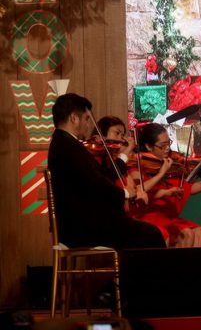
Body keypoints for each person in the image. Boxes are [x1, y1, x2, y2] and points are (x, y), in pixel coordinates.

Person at [47, 93, 165, 248]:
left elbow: (102, 176)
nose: (89, 125)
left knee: (144, 231)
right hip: (82, 228)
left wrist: (123, 156)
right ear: (74, 118)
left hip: (81, 224)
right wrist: (126, 193)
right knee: (152, 234)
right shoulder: (69, 147)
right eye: (86, 119)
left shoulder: (64, 143)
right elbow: (96, 185)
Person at [127, 123, 201, 248]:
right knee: (186, 234)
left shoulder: (169, 163)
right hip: (148, 218)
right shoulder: (137, 166)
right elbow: (140, 189)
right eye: (162, 146)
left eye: (168, 143)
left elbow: (189, 188)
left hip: (168, 218)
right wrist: (161, 174)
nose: (167, 149)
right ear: (148, 146)